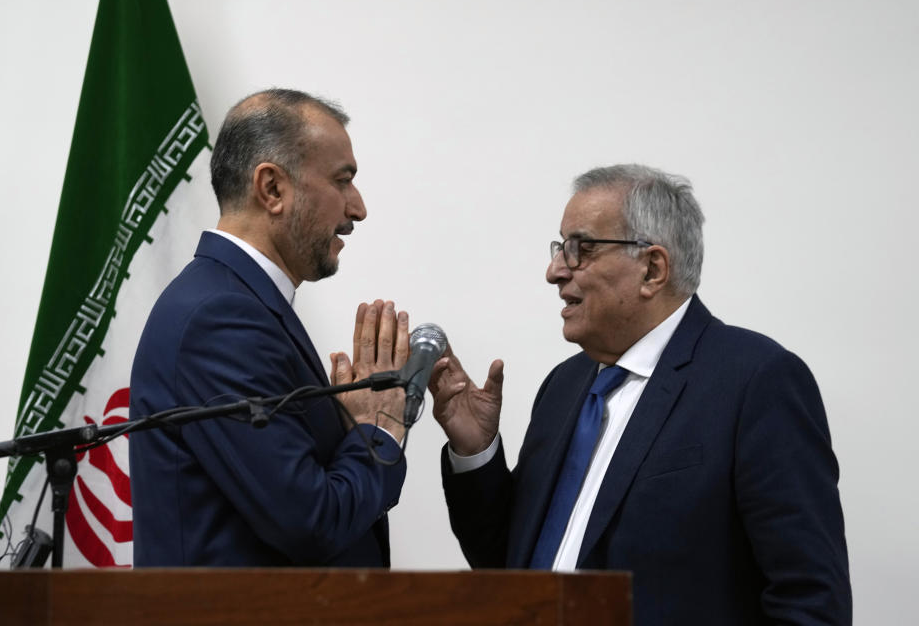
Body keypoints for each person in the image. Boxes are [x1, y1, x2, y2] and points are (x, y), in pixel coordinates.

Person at [431, 164, 852, 625]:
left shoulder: (756, 382)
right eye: (559, 248)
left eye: (581, 249)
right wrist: (476, 452)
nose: (554, 271)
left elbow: (809, 599)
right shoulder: (563, 386)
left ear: (652, 268)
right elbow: (512, 568)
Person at [129, 89, 409, 567]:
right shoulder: (219, 320)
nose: (358, 208)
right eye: (342, 181)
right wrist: (378, 429)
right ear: (272, 189)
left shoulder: (237, 301)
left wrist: (350, 436)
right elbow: (311, 521)